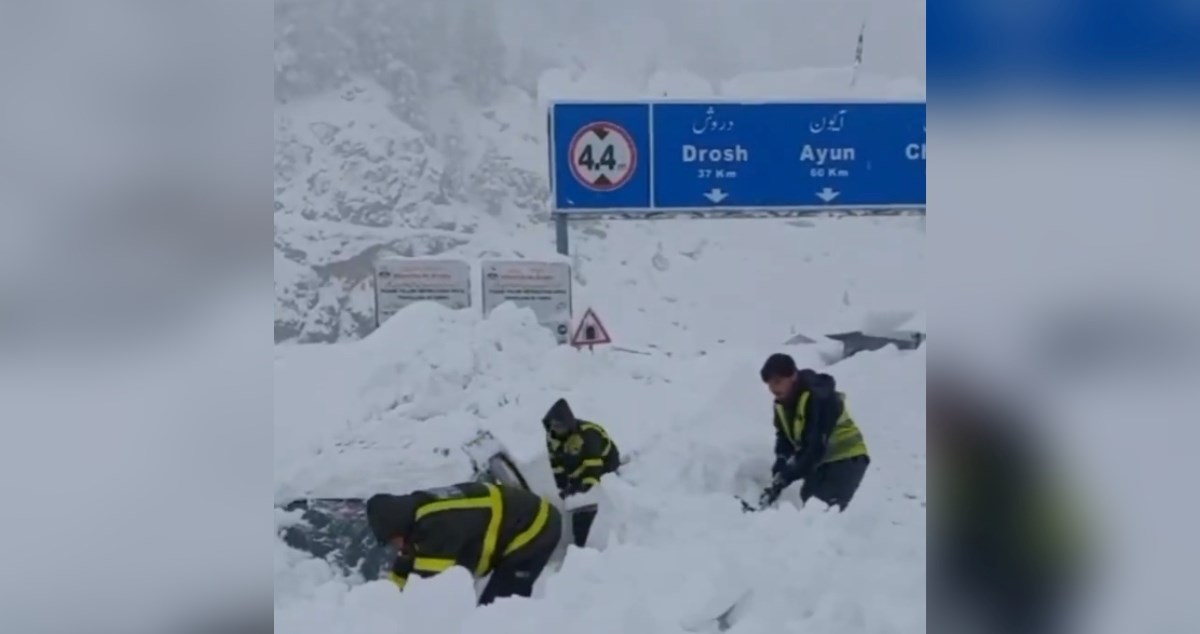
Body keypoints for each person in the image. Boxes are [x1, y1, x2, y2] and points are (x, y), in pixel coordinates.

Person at [365, 481, 562, 605]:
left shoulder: (435, 526)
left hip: (535, 527)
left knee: (498, 608)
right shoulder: (415, 512)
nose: (395, 547)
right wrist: (386, 600)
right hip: (516, 518)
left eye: (393, 541)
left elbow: (431, 588)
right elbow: (405, 567)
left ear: (397, 528)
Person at [757, 353, 870, 511]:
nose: (773, 389)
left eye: (778, 382)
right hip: (822, 462)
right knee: (809, 504)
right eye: (769, 384)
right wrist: (781, 461)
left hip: (847, 456)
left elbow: (815, 446)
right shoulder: (782, 404)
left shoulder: (819, 398)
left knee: (822, 510)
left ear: (793, 376)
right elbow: (784, 436)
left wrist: (787, 477)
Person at [542, 398, 620, 546]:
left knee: (587, 504)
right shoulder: (553, 438)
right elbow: (556, 465)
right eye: (554, 426)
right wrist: (564, 487)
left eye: (560, 425)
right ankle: (578, 543)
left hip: (605, 468)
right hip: (578, 472)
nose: (556, 429)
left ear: (568, 424)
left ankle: (587, 543)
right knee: (576, 504)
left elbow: (593, 468)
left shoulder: (589, 434)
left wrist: (582, 488)